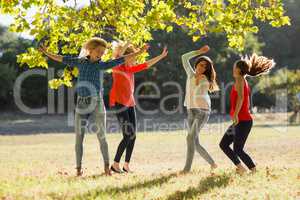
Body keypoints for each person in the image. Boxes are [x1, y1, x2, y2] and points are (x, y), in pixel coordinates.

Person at [39, 37, 147, 176]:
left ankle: (107, 167)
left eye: (103, 52)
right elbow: (62, 58)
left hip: (97, 103)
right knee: (79, 137)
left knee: (102, 136)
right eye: (98, 51)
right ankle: (78, 169)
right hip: (81, 103)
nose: (101, 54)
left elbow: (121, 59)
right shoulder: (80, 62)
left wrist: (139, 53)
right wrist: (47, 53)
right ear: (90, 49)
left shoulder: (101, 64)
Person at [110, 42, 168, 173]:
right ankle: (115, 164)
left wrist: (161, 56)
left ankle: (126, 165)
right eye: (133, 58)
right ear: (127, 58)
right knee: (127, 135)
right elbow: (119, 56)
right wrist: (128, 43)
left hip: (130, 104)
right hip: (120, 104)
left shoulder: (130, 70)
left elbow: (146, 64)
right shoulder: (117, 66)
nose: (134, 61)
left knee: (133, 135)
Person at [219, 53, 275, 174]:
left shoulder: (240, 80)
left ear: (238, 69)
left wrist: (235, 114)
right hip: (241, 120)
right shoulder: (242, 81)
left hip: (242, 121)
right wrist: (237, 114)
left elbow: (241, 98)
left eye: (234, 67)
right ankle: (241, 168)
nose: (233, 69)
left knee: (237, 149)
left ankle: (253, 169)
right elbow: (247, 101)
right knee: (224, 144)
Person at [181, 45, 219, 173]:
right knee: (194, 143)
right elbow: (184, 58)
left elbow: (200, 90)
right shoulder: (190, 74)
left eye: (205, 67)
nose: (202, 68)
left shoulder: (205, 79)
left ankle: (186, 170)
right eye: (201, 65)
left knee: (189, 138)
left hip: (202, 112)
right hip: (190, 110)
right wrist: (198, 52)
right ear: (196, 64)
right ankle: (213, 164)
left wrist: (198, 80)